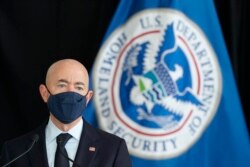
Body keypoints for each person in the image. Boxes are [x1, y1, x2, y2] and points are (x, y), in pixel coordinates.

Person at [0, 59, 132, 167]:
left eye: (79, 87)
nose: (71, 93)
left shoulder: (113, 149)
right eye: (62, 85)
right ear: (44, 93)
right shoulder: (16, 151)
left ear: (88, 97)